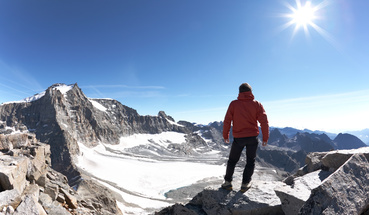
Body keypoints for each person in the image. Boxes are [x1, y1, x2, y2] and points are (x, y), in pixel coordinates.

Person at [221, 83, 269, 192]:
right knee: (250, 161)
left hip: (238, 138)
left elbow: (227, 121)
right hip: (252, 138)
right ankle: (245, 184)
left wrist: (225, 135)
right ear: (251, 92)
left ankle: (227, 183)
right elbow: (264, 122)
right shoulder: (257, 104)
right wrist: (265, 138)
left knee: (232, 161)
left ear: (239, 92)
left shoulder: (233, 104)